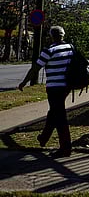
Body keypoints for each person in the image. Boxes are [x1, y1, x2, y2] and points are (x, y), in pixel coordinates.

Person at [18, 26, 74, 158]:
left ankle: (65, 148)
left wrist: (24, 82)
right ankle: (44, 137)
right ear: (63, 35)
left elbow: (35, 68)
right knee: (54, 111)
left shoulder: (49, 50)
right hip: (66, 86)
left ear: (51, 36)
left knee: (60, 116)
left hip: (54, 87)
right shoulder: (70, 48)